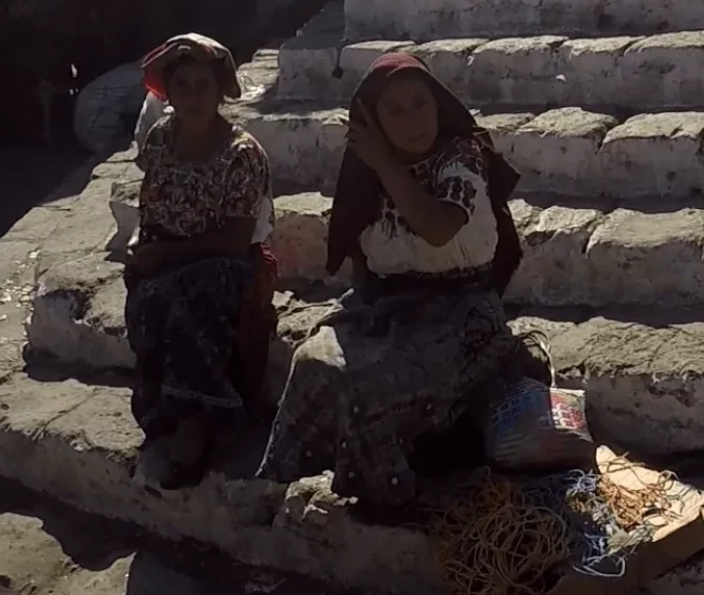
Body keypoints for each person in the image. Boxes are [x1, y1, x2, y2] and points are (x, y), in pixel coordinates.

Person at [257, 53, 537, 510]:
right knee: (314, 360)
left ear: (438, 104)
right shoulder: (363, 173)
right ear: (372, 120)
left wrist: (387, 166)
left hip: (463, 313)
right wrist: (364, 322)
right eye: (395, 110)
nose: (413, 120)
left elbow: (438, 227)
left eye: (420, 103)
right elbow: (362, 260)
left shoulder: (460, 156)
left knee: (373, 383)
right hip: (389, 306)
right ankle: (290, 479)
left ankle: (389, 495)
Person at [126, 34, 275, 489]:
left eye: (203, 85)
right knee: (146, 294)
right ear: (168, 92)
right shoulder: (160, 139)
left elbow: (234, 242)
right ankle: (168, 404)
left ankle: (199, 420)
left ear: (220, 90)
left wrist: (165, 253)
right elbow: (151, 206)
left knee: (199, 292)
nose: (193, 96)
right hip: (169, 253)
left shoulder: (241, 154)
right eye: (183, 85)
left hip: (232, 262)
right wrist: (140, 245)